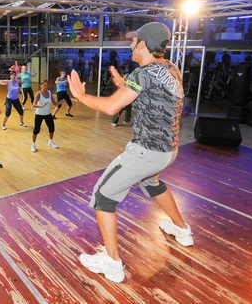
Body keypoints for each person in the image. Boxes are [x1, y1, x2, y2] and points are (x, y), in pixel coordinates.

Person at [69, 22, 192, 284]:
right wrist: (125, 85)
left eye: (134, 41)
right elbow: (157, 96)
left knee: (103, 196)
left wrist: (81, 96)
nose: (131, 45)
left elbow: (112, 107)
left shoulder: (143, 74)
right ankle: (182, 230)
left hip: (146, 151)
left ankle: (112, 263)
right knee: (152, 182)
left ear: (144, 44)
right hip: (168, 150)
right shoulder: (170, 68)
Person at [31, 80, 59, 153]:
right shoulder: (38, 93)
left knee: (52, 128)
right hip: (39, 114)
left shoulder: (49, 93)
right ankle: (33, 144)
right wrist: (41, 106)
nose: (46, 87)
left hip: (48, 114)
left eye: (47, 85)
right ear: (41, 85)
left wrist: (60, 103)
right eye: (44, 85)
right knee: (36, 130)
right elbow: (33, 104)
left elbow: (54, 102)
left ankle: (50, 141)